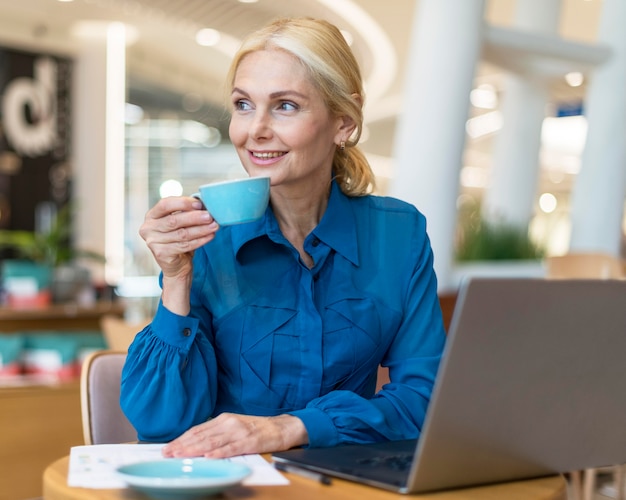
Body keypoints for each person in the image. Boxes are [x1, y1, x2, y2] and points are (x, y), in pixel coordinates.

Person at [120, 16, 446, 459]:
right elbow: (161, 426)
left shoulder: (399, 234)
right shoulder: (207, 240)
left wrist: (290, 428)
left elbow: (425, 401)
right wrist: (175, 279)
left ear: (344, 122)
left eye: (286, 106)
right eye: (243, 104)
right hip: (235, 484)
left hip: (347, 485)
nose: (255, 130)